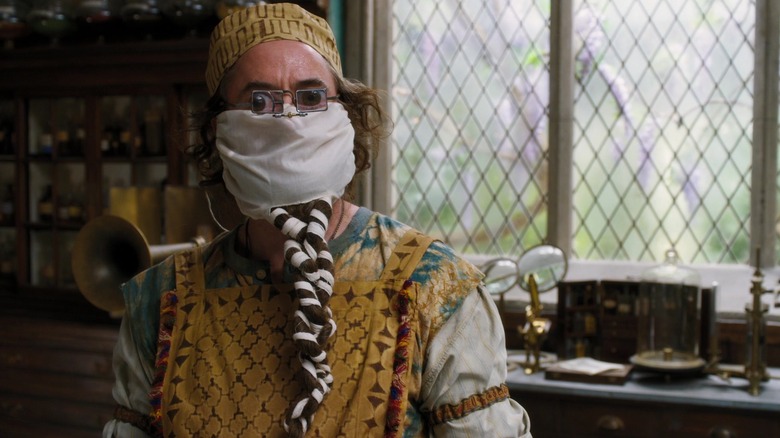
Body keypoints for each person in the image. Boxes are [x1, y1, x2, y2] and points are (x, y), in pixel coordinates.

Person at [103, 3, 532, 437]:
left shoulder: (434, 288)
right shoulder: (162, 301)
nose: (289, 119)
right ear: (216, 129)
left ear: (347, 115)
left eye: (311, 97)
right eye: (259, 101)